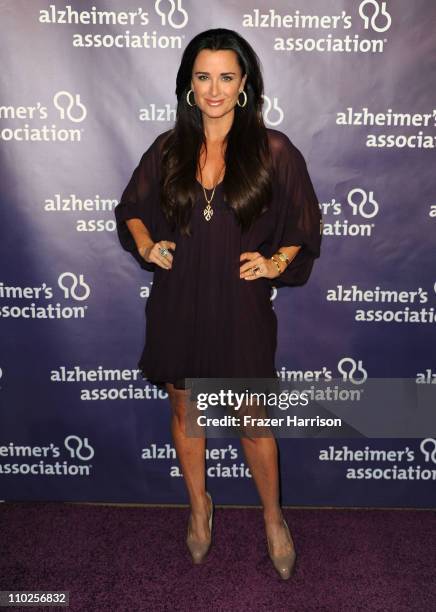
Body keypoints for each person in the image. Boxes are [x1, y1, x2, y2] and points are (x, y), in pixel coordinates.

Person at [114, 28, 322, 580]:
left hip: (239, 308)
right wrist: (145, 243)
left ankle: (274, 518)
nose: (214, 89)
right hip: (178, 303)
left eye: (226, 77)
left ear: (244, 84)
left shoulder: (274, 150)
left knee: (253, 419)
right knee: (186, 409)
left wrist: (275, 263)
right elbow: (131, 207)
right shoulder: (167, 150)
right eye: (202, 76)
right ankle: (199, 506)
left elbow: (304, 224)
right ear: (188, 84)